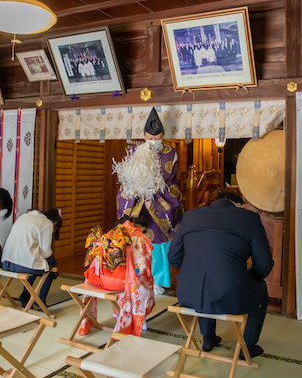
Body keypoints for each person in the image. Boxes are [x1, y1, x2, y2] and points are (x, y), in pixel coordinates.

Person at [168, 191, 273, 360]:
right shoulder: (249, 219)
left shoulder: (190, 216)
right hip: (229, 292)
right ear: (239, 205)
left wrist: (192, 272)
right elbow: (264, 264)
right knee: (260, 290)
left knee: (206, 284)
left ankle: (208, 339)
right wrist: (250, 276)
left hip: (187, 292)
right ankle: (246, 347)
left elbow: (173, 256)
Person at [114, 107, 184, 295]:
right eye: (150, 138)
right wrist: (139, 195)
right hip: (139, 208)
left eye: (157, 138)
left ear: (163, 135)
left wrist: (156, 200)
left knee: (158, 245)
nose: (154, 141)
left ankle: (157, 280)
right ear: (144, 135)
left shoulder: (171, 153)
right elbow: (127, 182)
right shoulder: (134, 152)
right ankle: (135, 276)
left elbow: (172, 183)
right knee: (137, 242)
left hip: (159, 205)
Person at [1, 208, 62, 308]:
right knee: (51, 263)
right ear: (55, 223)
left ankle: (25, 294)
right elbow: (46, 253)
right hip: (22, 265)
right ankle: (40, 299)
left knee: (37, 261)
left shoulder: (24, 216)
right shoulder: (47, 223)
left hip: (6, 262)